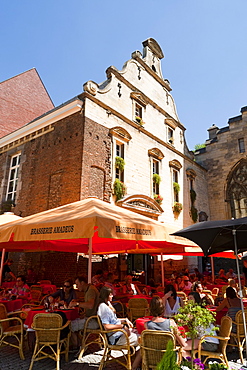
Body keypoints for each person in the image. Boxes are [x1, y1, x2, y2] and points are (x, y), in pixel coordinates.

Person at [132, 297, 197, 369]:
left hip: (152, 357)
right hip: (169, 357)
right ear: (163, 309)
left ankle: (133, 368)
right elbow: (183, 343)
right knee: (184, 349)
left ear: (150, 309)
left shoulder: (147, 325)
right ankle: (196, 366)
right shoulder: (171, 323)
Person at [69, 275, 99, 349]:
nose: (76, 286)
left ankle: (77, 347)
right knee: (73, 321)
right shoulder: (88, 289)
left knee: (69, 325)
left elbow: (90, 305)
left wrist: (77, 304)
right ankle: (79, 344)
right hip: (91, 318)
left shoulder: (91, 290)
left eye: (77, 284)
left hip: (94, 321)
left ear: (82, 283)